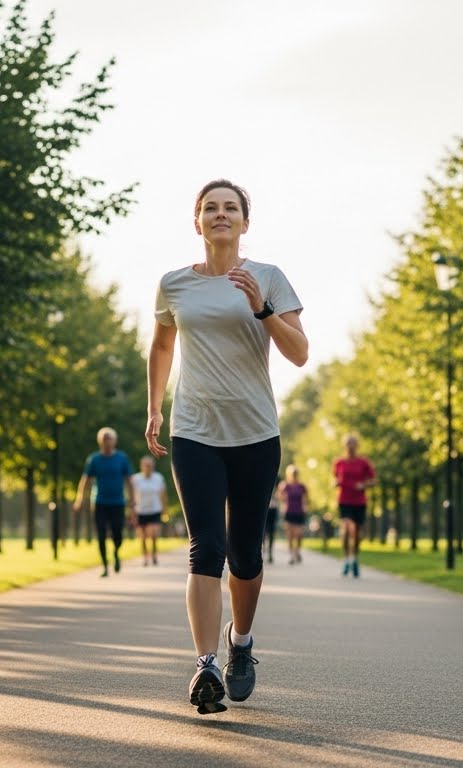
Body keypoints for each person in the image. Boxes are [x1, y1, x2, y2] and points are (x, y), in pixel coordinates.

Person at [146, 179, 307, 715]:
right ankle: (205, 665)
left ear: (245, 222)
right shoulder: (174, 284)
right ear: (197, 222)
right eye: (210, 208)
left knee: (245, 555)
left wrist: (263, 309)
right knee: (205, 547)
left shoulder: (269, 277)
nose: (220, 215)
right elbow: (163, 343)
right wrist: (154, 408)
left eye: (230, 208)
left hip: (255, 433)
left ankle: (240, 645)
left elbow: (300, 353)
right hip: (194, 430)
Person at [74, 427, 136, 578]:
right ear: (100, 442)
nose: (107, 442)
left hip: (118, 502)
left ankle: (116, 552)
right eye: (104, 439)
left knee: (117, 534)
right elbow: (85, 481)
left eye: (109, 439)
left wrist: (132, 501)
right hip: (100, 502)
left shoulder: (122, 458)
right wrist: (80, 500)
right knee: (101, 535)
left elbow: (129, 481)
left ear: (115, 441)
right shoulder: (94, 459)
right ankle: (104, 566)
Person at [334, 435, 376, 578]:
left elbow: (374, 480)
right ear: (344, 446)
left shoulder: (363, 462)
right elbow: (335, 478)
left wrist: (363, 485)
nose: (350, 446)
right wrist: (335, 482)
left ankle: (354, 559)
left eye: (353, 443)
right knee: (346, 529)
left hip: (359, 501)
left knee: (357, 534)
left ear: (357, 445)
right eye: (348, 443)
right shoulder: (339, 462)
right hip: (344, 500)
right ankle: (346, 559)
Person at [131, 455, 168, 567]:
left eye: (150, 466)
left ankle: (154, 555)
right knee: (142, 537)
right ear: (142, 466)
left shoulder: (158, 478)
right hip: (140, 511)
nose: (148, 467)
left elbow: (163, 495)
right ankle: (145, 557)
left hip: (155, 510)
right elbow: (132, 495)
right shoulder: (135, 479)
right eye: (146, 465)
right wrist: (132, 510)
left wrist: (165, 509)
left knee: (153, 534)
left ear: (153, 466)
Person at [278, 465, 309, 565]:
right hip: (289, 512)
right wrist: (283, 503)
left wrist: (305, 506)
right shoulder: (285, 485)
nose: (294, 475)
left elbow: (306, 498)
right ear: (289, 474)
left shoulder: (302, 486)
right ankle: (291, 555)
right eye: (292, 473)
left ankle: (298, 551)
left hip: (299, 512)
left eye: (296, 473)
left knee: (299, 534)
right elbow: (280, 497)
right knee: (290, 535)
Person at [263, 483, 280, 565]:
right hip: (264, 508)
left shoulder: (278, 485)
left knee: (271, 532)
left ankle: (270, 552)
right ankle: (262, 551)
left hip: (273, 509)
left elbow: (280, 497)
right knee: (262, 531)